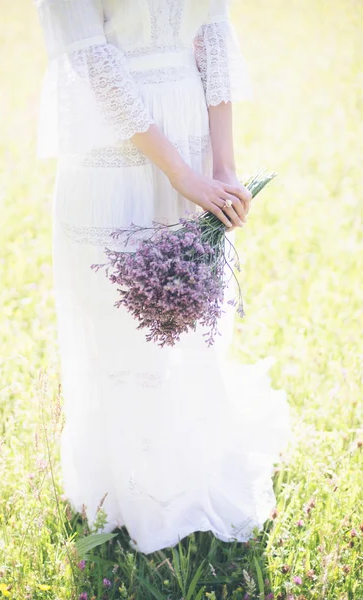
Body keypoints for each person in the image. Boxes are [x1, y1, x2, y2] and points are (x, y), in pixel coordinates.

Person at [33, 0, 294, 555]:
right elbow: (94, 62)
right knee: (116, 317)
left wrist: (221, 168)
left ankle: (187, 464)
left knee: (184, 318)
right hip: (114, 148)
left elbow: (213, 35)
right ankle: (125, 486)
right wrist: (181, 173)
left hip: (194, 137)